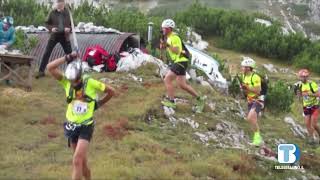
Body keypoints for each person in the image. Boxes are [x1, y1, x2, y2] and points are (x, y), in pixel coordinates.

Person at [47, 52, 115, 180]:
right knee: (82, 163)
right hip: (72, 126)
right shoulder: (67, 82)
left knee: (77, 160)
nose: (73, 83)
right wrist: (68, 57)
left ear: (81, 76)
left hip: (86, 126)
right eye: (71, 81)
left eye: (76, 81)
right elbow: (50, 67)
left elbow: (112, 91)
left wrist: (98, 104)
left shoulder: (90, 82)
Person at [160, 19, 205, 113]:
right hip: (180, 61)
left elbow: (176, 50)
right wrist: (163, 47)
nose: (162, 30)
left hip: (180, 60)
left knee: (167, 79)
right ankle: (200, 99)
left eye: (164, 28)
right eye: (162, 28)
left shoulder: (174, 37)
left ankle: (171, 101)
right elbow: (168, 50)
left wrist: (167, 45)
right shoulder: (168, 38)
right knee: (182, 85)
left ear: (169, 29)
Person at [36, 0, 72, 79]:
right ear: (56, 3)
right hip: (54, 36)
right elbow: (46, 23)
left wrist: (69, 29)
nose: (59, 4)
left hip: (64, 36)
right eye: (58, 2)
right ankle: (41, 71)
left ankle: (72, 73)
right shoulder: (52, 12)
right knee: (47, 53)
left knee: (69, 54)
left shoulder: (68, 13)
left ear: (63, 3)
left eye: (61, 2)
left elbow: (72, 24)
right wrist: (51, 29)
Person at [239, 57, 263, 146]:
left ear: (248, 68)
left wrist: (247, 87)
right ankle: (257, 139)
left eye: (243, 67)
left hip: (258, 99)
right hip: (249, 100)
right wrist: (243, 89)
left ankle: (258, 139)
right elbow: (246, 91)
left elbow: (258, 90)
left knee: (249, 118)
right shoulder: (243, 76)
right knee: (252, 120)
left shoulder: (255, 77)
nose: (242, 68)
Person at [296, 69, 320, 145]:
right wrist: (299, 95)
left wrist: (308, 94)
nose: (304, 78)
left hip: (315, 105)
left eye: (306, 76)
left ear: (308, 77)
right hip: (306, 106)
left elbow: (318, 94)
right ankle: (312, 138)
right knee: (307, 123)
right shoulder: (299, 85)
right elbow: (299, 96)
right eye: (302, 77)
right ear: (299, 77)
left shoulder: (312, 84)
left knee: (314, 124)